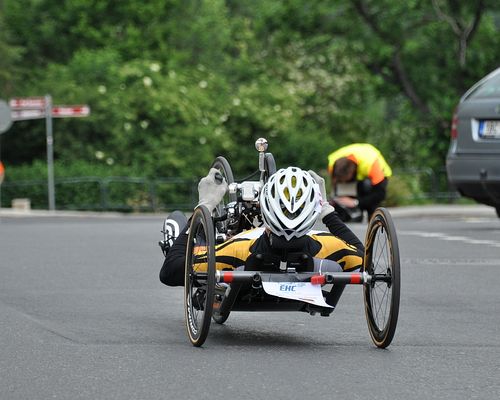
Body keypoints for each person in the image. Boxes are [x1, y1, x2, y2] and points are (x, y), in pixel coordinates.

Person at [159, 167, 364, 305]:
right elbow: (365, 258)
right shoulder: (332, 247)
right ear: (313, 212)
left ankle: (198, 226)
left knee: (186, 235)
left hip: (245, 256)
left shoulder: (238, 248)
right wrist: (327, 211)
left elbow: (170, 272)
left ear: (265, 210)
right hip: (310, 255)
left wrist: (204, 206)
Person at [327, 143, 392, 223]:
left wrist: (355, 202)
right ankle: (353, 212)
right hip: (357, 169)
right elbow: (334, 184)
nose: (344, 182)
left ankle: (372, 216)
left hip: (377, 176)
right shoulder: (332, 163)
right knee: (341, 201)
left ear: (352, 172)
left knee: (368, 188)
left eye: (345, 179)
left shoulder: (371, 164)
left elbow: (380, 194)